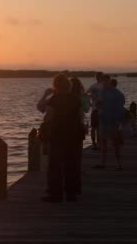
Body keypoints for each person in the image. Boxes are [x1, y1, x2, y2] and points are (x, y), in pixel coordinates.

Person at [36, 74, 84, 202]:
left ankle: (55, 194)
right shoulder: (76, 99)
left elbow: (49, 117)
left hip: (57, 135)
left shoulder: (54, 99)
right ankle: (71, 193)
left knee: (55, 166)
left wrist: (44, 129)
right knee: (72, 164)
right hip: (73, 136)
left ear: (56, 85)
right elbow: (80, 118)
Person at [93, 74, 125, 170]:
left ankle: (119, 164)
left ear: (109, 81)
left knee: (115, 144)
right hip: (103, 120)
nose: (103, 83)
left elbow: (121, 108)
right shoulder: (102, 92)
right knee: (103, 142)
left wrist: (118, 122)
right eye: (102, 81)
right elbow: (99, 103)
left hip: (113, 121)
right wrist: (98, 108)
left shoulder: (117, 93)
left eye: (105, 81)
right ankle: (102, 163)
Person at [70, 77, 88, 196]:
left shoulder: (67, 97)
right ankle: (77, 186)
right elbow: (86, 109)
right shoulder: (82, 97)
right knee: (77, 158)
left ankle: (70, 185)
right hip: (79, 129)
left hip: (69, 130)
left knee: (67, 159)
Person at [86, 72, 104, 149]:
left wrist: (91, 99)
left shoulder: (93, 86)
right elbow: (86, 95)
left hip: (96, 109)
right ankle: (97, 144)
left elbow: (85, 95)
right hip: (99, 109)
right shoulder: (103, 86)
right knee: (97, 128)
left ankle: (95, 144)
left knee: (95, 128)